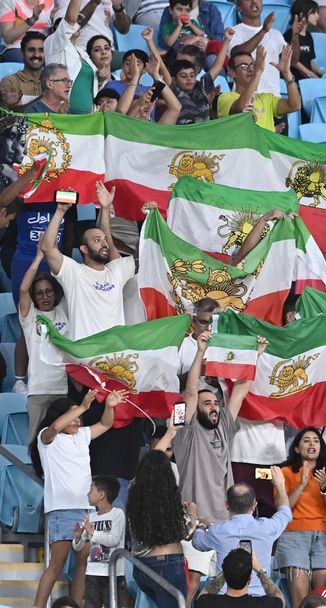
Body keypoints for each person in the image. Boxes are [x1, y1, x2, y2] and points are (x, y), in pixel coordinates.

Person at [173, 331, 263, 601]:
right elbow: (190, 392)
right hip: (195, 522)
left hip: (226, 524)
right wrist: (201, 351)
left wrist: (254, 356)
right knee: (192, 582)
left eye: (215, 402)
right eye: (207, 404)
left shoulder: (224, 425)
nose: (213, 407)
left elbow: (241, 390)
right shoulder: (185, 432)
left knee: (228, 585)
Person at [29, 390, 122, 608]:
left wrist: (110, 406)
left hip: (87, 510)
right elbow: (54, 427)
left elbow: (106, 424)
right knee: (57, 564)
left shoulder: (82, 435)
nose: (77, 421)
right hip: (61, 509)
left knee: (83, 564)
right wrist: (82, 406)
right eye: (72, 417)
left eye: (79, 417)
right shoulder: (46, 438)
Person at [39, 183, 133, 339]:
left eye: (104, 240)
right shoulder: (74, 272)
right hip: (85, 352)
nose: (104, 243)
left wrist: (105, 208)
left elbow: (151, 252)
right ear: (84, 249)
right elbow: (48, 248)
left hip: (115, 352)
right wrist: (60, 211)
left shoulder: (117, 270)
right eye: (97, 241)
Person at [275, 427, 326, 608]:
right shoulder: (285, 472)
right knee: (301, 601)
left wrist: (325, 486)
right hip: (293, 536)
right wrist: (301, 485)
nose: (312, 444)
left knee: (323, 600)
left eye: (316, 441)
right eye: (306, 440)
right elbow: (282, 508)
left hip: (323, 537)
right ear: (296, 448)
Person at [192, 478, 292, 597]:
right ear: (254, 505)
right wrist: (280, 485)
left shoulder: (218, 531)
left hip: (224, 598)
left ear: (227, 505)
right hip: (259, 599)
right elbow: (285, 512)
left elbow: (197, 542)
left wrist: (203, 525)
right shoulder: (267, 528)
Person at [128, 449, 198, 608]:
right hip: (167, 566)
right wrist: (192, 513)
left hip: (142, 567)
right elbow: (186, 533)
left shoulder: (133, 494)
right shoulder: (168, 497)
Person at [17, 249, 68, 441]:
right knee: (35, 443)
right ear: (34, 297)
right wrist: (39, 257)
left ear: (55, 293)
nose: (45, 296)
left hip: (63, 389)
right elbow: (23, 289)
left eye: (48, 291)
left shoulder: (65, 310)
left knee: (62, 441)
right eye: (39, 293)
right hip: (38, 390)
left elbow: (68, 281)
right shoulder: (30, 316)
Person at [217, 44, 301, 132]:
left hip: (265, 142)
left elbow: (295, 105)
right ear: (232, 72)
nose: (250, 69)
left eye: (252, 65)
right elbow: (242, 106)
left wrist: (287, 74)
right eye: (244, 66)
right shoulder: (225, 98)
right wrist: (258, 71)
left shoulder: (267, 98)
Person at [72, 476, 126, 608]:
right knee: (91, 604)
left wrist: (92, 533)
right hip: (92, 572)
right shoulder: (91, 517)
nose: (88, 493)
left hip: (113, 573)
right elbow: (78, 547)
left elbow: (114, 540)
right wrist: (78, 537)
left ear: (101, 494)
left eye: (91, 489)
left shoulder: (118, 514)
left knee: (112, 604)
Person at [169, 27, 234, 124]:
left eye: (185, 64)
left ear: (196, 70)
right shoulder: (172, 85)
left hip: (203, 132)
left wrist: (227, 40)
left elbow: (217, 66)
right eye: (178, 62)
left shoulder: (202, 86)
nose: (179, 66)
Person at [227, 0, 287, 95]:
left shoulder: (276, 34)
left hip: (273, 98)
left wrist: (296, 35)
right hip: (245, 98)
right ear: (239, 7)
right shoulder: (233, 31)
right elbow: (236, 54)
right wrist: (263, 31)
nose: (254, 1)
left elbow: (294, 60)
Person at [197, 548, 284, 607]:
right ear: (250, 578)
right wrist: (259, 571)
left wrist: (229, 567)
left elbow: (204, 593)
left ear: (225, 576)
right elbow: (279, 597)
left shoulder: (208, 603)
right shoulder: (264, 604)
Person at [157, 0, 226, 52]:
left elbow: (218, 39)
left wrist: (198, 40)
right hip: (178, 54)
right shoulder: (170, 9)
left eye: (187, 10)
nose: (183, 13)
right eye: (179, 10)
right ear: (171, 10)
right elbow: (163, 43)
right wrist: (184, 45)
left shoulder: (211, 9)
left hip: (204, 51)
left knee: (212, 59)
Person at [0, 30, 44, 110]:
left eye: (41, 50)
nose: (36, 55)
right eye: (31, 50)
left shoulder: (52, 82)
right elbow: (6, 114)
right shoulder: (9, 82)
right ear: (22, 54)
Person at [285, 0, 322, 80]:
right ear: (302, 15)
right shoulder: (289, 35)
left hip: (308, 78)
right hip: (295, 79)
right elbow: (294, 62)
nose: (317, 16)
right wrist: (310, 74)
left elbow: (310, 61)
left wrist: (321, 73)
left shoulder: (309, 36)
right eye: (313, 13)